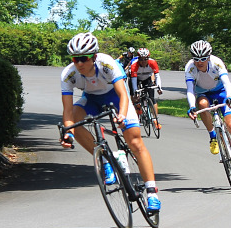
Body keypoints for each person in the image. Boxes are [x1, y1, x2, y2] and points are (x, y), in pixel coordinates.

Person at [60, 33, 160, 212]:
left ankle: (152, 192)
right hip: (91, 99)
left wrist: (121, 115)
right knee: (74, 121)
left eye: (84, 58)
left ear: (94, 57)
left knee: (135, 142)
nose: (79, 63)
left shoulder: (107, 63)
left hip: (116, 97)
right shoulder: (68, 74)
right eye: (75, 59)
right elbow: (67, 111)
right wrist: (68, 133)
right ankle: (107, 160)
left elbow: (123, 94)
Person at [184, 40, 231, 177]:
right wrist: (192, 107)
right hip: (203, 93)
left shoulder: (216, 62)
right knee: (202, 105)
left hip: (221, 91)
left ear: (209, 57)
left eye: (203, 58)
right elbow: (190, 89)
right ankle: (213, 136)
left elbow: (227, 82)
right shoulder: (190, 68)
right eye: (196, 59)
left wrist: (229, 97)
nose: (200, 62)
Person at [129, 48, 164, 130]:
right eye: (141, 59)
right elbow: (134, 81)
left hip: (147, 78)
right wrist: (135, 92)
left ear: (148, 58)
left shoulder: (153, 62)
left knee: (152, 98)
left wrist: (159, 87)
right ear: (138, 59)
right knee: (134, 97)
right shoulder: (134, 65)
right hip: (135, 79)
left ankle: (155, 120)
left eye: (146, 59)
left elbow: (157, 76)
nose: (143, 61)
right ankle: (136, 113)